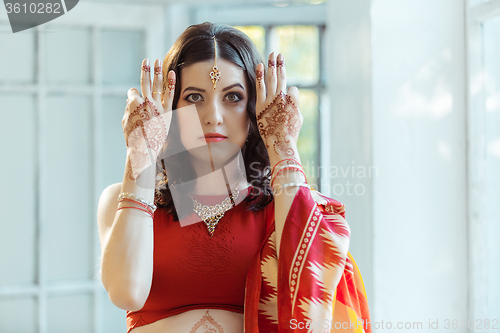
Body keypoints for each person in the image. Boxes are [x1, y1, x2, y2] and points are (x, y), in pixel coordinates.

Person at [97, 22, 371, 333]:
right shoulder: (120, 199)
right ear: (169, 108)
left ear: (256, 108)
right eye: (194, 97)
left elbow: (312, 308)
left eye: (232, 97)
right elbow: (126, 293)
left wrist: (282, 144)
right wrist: (141, 153)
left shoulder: (283, 212)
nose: (213, 115)